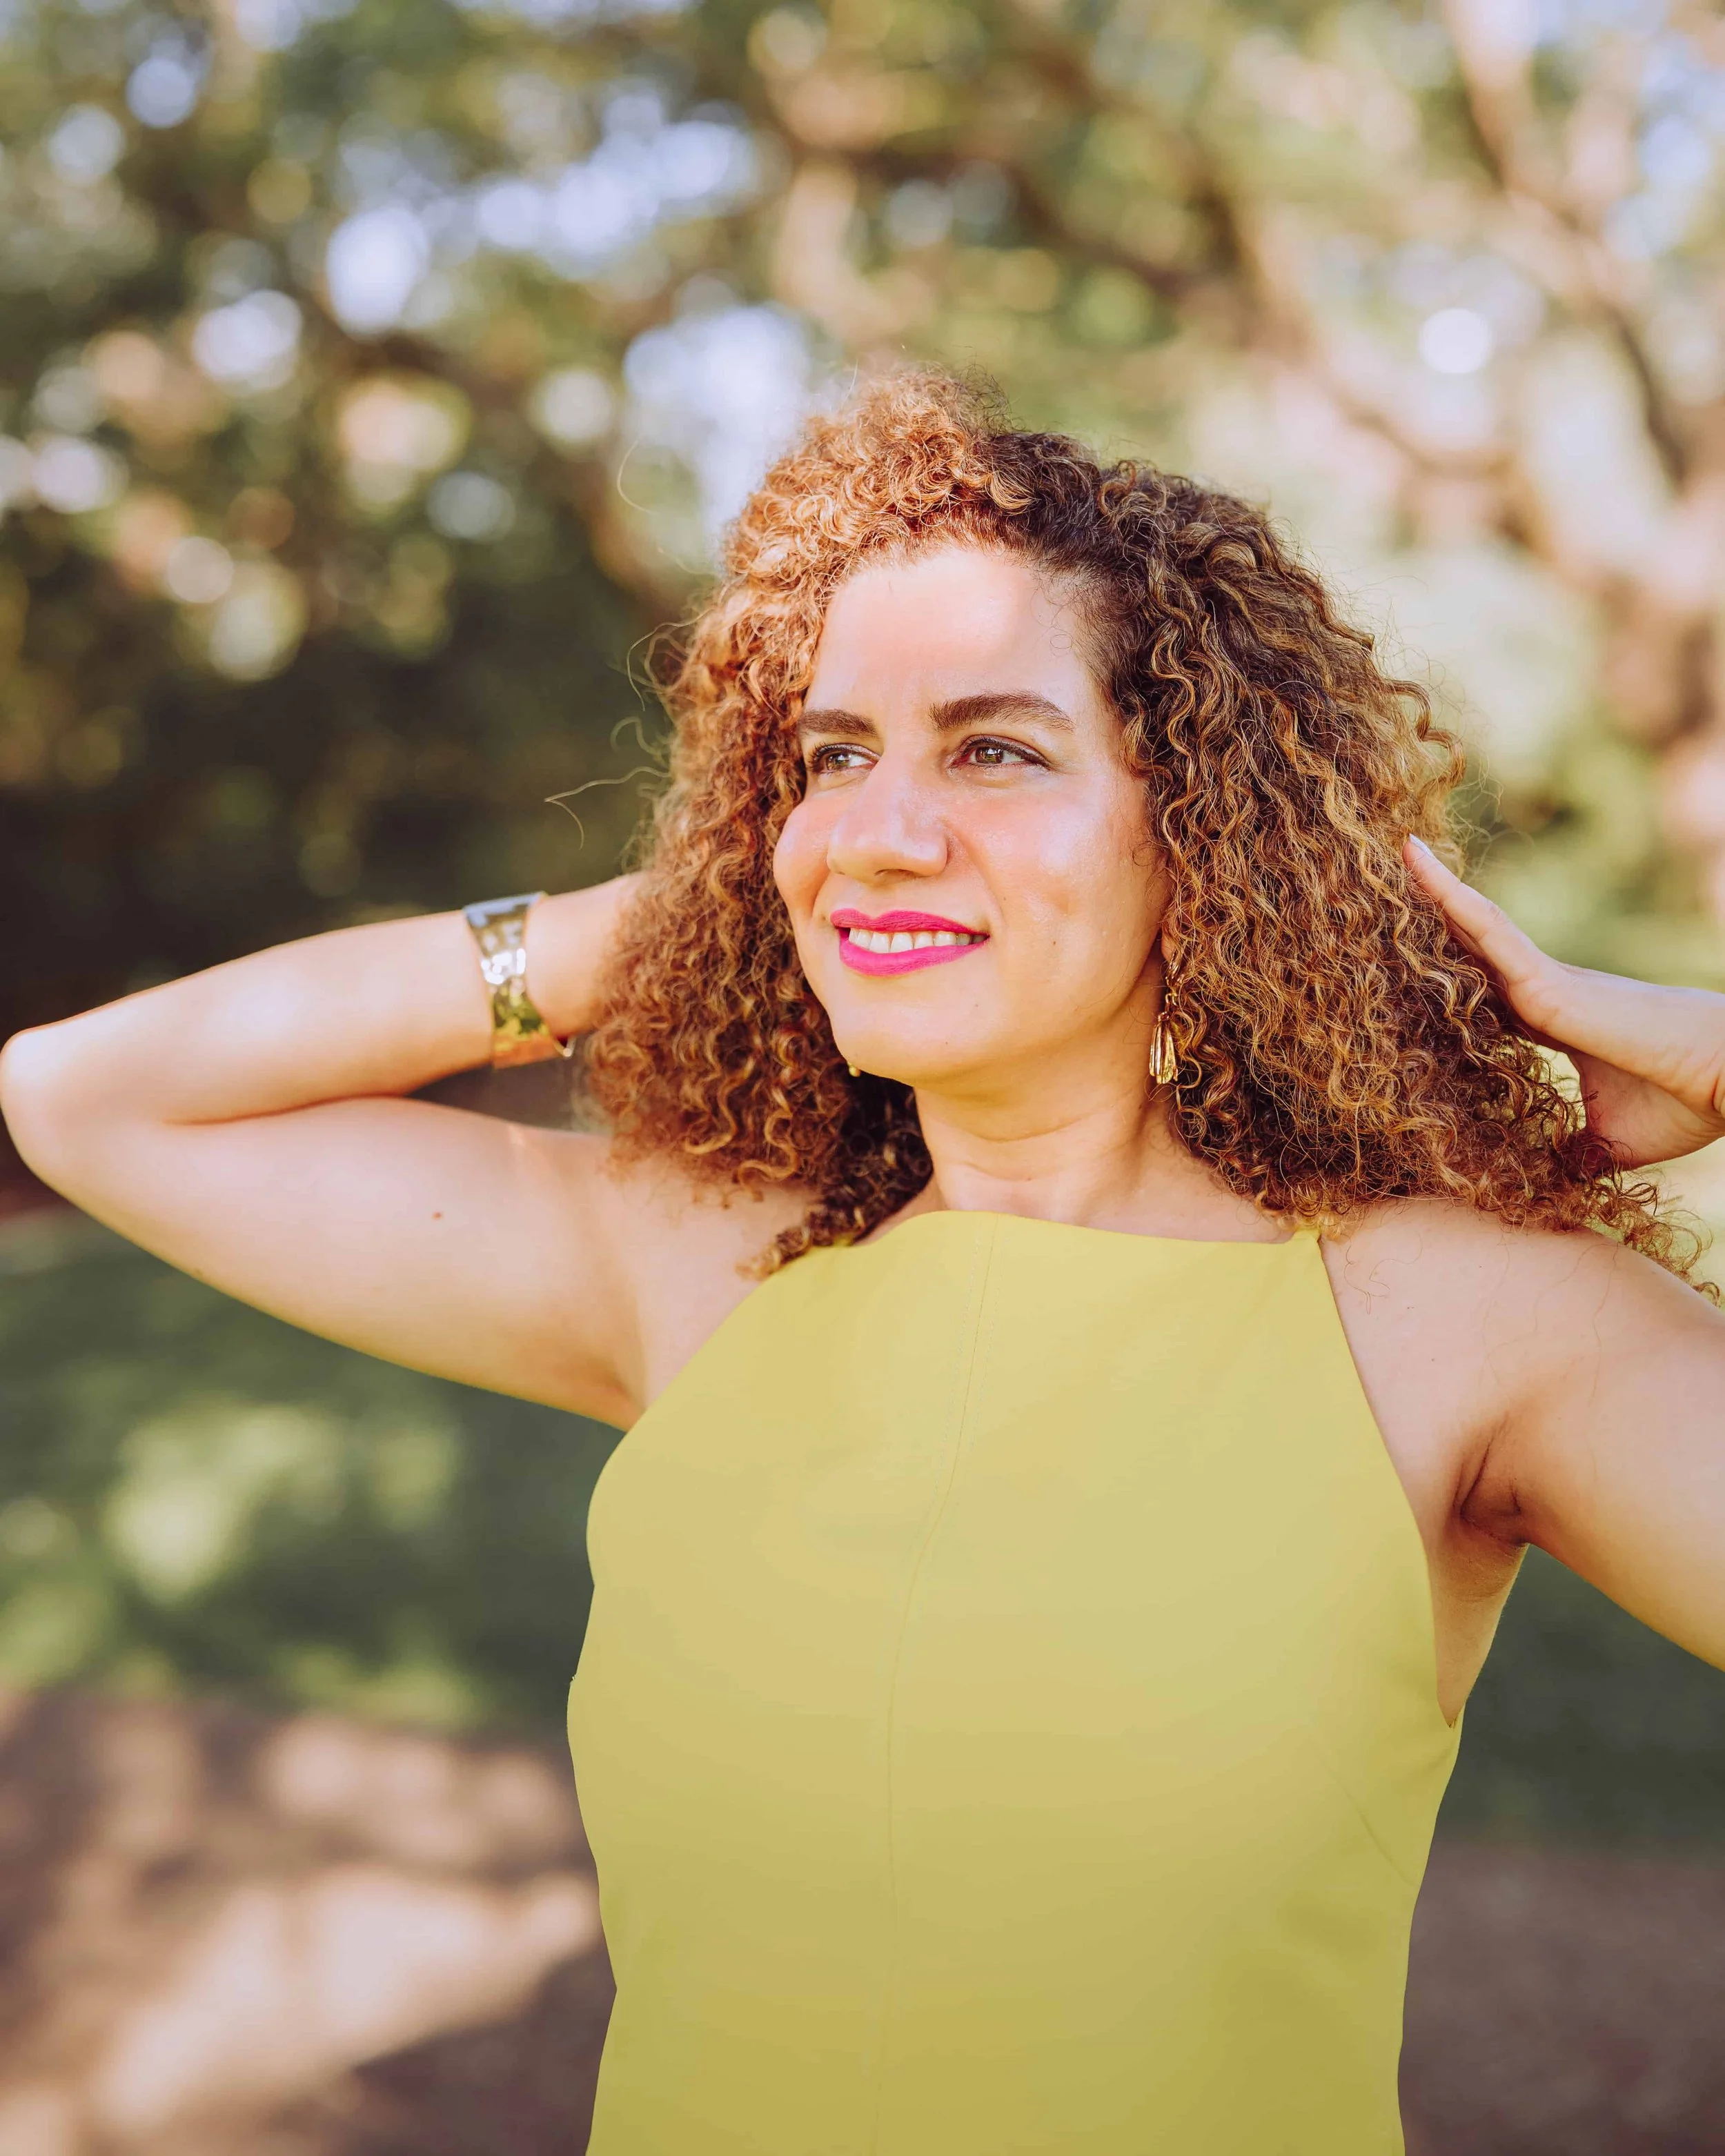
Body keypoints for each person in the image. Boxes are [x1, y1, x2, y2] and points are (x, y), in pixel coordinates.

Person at [4, 372, 1724, 2155]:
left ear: (1197, 825)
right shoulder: (700, 1264)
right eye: (833, 755)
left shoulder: (1461, 1317)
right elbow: (92, 1097)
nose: (883, 822)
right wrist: (676, 911)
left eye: (992, 745)